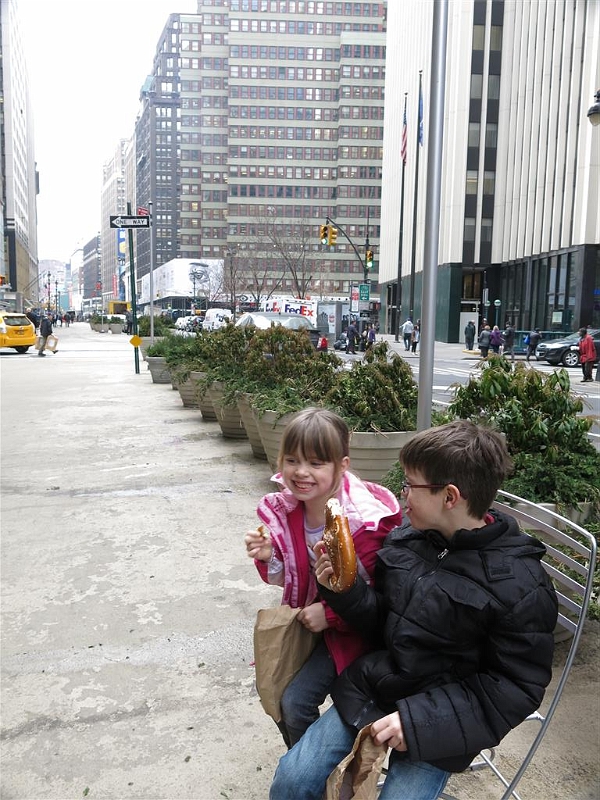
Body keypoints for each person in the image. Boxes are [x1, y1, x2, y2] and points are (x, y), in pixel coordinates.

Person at [270, 420, 558, 800]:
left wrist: (416, 721)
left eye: (409, 485)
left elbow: (514, 687)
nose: (401, 494)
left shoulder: (520, 584)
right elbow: (381, 623)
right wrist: (344, 591)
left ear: (449, 497)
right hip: (378, 687)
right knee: (291, 781)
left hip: (444, 722)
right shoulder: (406, 540)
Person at [245, 407, 403, 750]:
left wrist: (330, 615)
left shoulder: (364, 524)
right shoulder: (291, 510)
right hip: (309, 621)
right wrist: (269, 555)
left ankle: (308, 770)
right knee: (275, 688)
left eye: (316, 463)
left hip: (356, 633)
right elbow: (294, 577)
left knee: (295, 702)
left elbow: (382, 596)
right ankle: (301, 761)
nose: (301, 472)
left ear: (342, 466)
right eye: (292, 460)